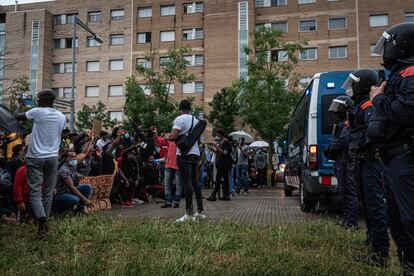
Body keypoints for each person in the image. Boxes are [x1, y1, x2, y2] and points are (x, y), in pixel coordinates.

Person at [369, 22, 414, 272]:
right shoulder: (399, 74)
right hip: (393, 159)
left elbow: (407, 111)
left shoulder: (410, 73)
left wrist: (378, 98)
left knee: (410, 219)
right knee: (397, 221)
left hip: (406, 158)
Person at [342, 69, 389, 265]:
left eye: (354, 83)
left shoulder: (369, 105)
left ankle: (380, 252)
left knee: (374, 206)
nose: (350, 88)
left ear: (362, 84)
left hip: (370, 162)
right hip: (361, 161)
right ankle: (372, 242)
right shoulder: (360, 105)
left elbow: (373, 133)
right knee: (367, 206)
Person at [14, 89, 66, 238]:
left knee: (35, 192)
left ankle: (42, 221)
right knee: (48, 192)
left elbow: (17, 116)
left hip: (35, 157)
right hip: (52, 158)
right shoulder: (62, 116)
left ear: (42, 99)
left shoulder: (37, 112)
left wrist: (20, 105)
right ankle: (44, 224)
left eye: (38, 97)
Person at [324, 96, 359, 229]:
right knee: (343, 192)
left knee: (349, 192)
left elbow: (342, 141)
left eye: (337, 109)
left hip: (345, 160)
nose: (335, 112)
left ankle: (351, 222)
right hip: (340, 161)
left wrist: (329, 148)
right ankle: (347, 219)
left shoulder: (348, 124)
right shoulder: (342, 124)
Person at [168, 99, 204, 222]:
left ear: (180, 109)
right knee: (195, 182)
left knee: (187, 183)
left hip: (183, 154)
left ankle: (188, 214)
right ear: (190, 109)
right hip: (195, 153)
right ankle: (199, 212)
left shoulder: (179, 119)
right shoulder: (197, 121)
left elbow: (173, 136)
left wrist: (167, 136)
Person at [53, 150, 94, 214]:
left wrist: (78, 175)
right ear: (66, 159)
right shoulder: (64, 170)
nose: (74, 158)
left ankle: (80, 210)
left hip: (67, 190)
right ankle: (59, 212)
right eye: (72, 157)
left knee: (87, 187)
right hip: (59, 193)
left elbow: (84, 153)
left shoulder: (73, 166)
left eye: (75, 156)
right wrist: (86, 200)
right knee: (75, 199)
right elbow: (72, 187)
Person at [207, 129, 232, 201]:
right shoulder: (222, 142)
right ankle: (225, 195)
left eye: (217, 134)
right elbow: (220, 152)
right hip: (222, 164)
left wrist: (216, 147)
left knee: (218, 180)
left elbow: (225, 152)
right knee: (224, 180)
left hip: (223, 164)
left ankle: (214, 195)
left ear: (220, 134)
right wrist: (213, 149)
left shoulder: (225, 142)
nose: (217, 136)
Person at [161, 136, 182, 208]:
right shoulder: (170, 137)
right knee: (167, 183)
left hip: (178, 165)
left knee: (178, 184)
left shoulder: (182, 137)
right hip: (168, 164)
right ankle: (168, 201)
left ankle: (176, 201)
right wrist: (155, 134)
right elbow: (159, 142)